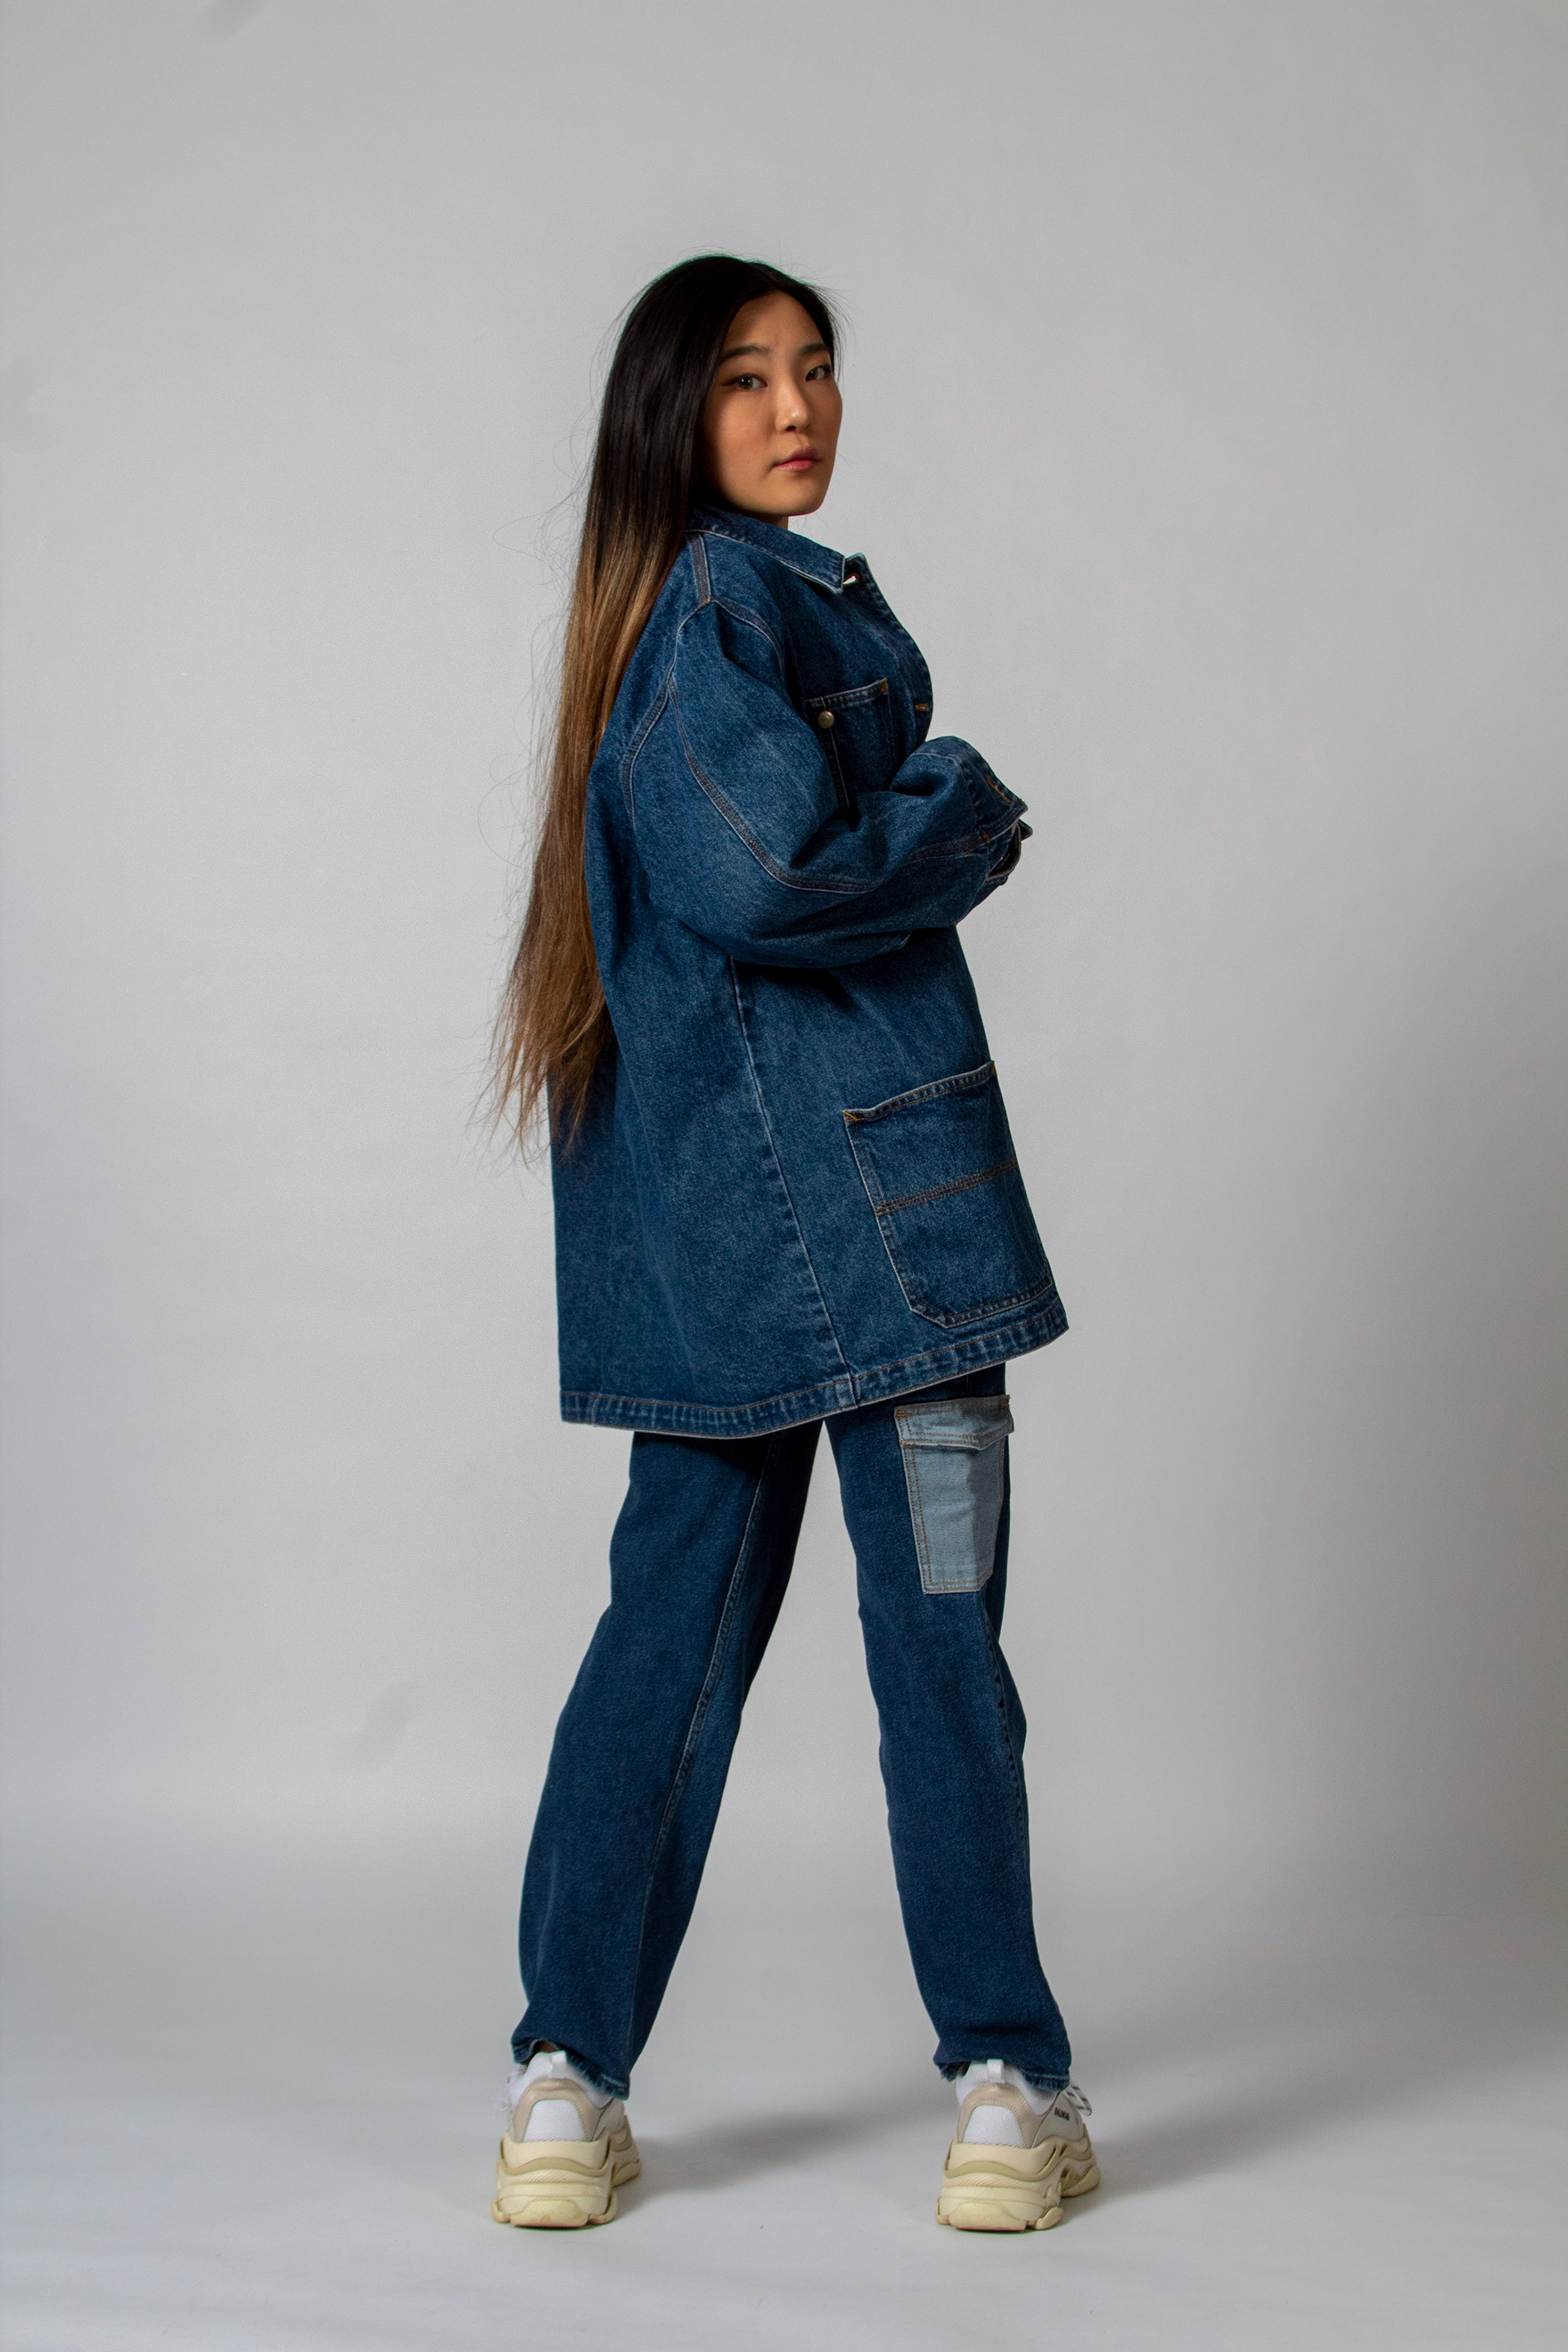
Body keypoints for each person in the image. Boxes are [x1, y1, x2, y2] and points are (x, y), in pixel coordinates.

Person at [485, 254, 1096, 2234]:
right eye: (746, 377)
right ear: (675, 411)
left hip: (720, 1265)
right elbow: (768, 874)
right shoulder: (727, 606)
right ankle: (1006, 2088)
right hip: (900, 1256)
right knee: (940, 1650)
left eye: (815, 368)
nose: (796, 407)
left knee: (671, 1654)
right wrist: (961, 800)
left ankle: (567, 2088)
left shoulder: (669, 615)